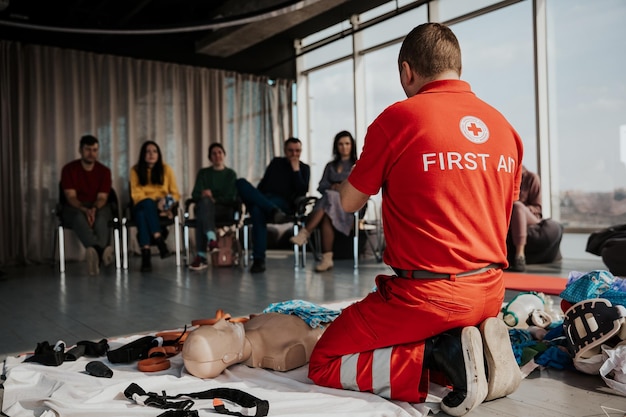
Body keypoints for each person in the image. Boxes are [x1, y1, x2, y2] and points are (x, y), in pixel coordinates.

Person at [307, 23, 523, 416]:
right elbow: (503, 211)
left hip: (426, 299)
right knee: (451, 311)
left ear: (407, 71)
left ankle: (440, 355)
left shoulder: (398, 119)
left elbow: (351, 203)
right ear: (457, 66)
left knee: (323, 360)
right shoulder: (505, 128)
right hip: (492, 293)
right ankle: (472, 351)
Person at [236, 137, 311, 273]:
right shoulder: (276, 163)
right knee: (240, 182)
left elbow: (302, 191)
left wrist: (296, 171)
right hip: (265, 198)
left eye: (297, 151)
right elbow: (263, 184)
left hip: (284, 204)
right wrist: (256, 196)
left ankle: (259, 260)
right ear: (285, 151)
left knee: (257, 210)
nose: (294, 154)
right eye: (290, 151)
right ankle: (271, 210)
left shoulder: (304, 168)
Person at [290, 130, 358, 272]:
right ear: (336, 146)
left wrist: (341, 188)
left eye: (347, 144)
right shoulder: (330, 166)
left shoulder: (357, 165)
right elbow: (321, 186)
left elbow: (360, 188)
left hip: (349, 206)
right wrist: (333, 186)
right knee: (328, 204)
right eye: (340, 144)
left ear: (352, 145)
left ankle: (305, 232)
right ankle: (327, 259)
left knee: (329, 196)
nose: (344, 147)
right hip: (330, 206)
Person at [60, 134, 114, 275]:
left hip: (97, 205)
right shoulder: (69, 169)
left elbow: (102, 198)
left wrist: (94, 209)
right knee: (78, 217)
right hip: (75, 206)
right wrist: (85, 210)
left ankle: (94, 254)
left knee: (102, 218)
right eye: (88, 149)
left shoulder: (104, 171)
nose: (92, 153)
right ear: (80, 150)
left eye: (95, 150)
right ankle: (101, 251)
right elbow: (70, 197)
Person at [130, 140, 180, 272]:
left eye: (154, 151)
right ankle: (159, 240)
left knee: (142, 215)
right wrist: (155, 202)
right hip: (142, 204)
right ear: (143, 154)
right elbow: (136, 194)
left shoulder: (166, 169)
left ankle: (146, 255)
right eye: (147, 151)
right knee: (146, 204)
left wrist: (165, 202)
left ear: (159, 154)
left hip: (162, 207)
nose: (151, 154)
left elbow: (175, 193)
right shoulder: (135, 170)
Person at [188, 143, 238, 271]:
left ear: (224, 155)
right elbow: (195, 194)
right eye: (214, 153)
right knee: (204, 205)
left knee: (203, 212)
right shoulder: (204, 173)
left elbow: (231, 197)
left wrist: (213, 198)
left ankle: (202, 256)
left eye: (219, 152)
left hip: (224, 210)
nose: (217, 156)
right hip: (206, 209)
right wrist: (205, 196)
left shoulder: (230, 174)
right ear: (210, 157)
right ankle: (211, 240)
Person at [507, 165, 542, 272]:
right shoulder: (505, 178)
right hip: (508, 218)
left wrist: (520, 209)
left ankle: (520, 255)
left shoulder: (531, 178)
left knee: (517, 206)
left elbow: (537, 208)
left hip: (530, 217)